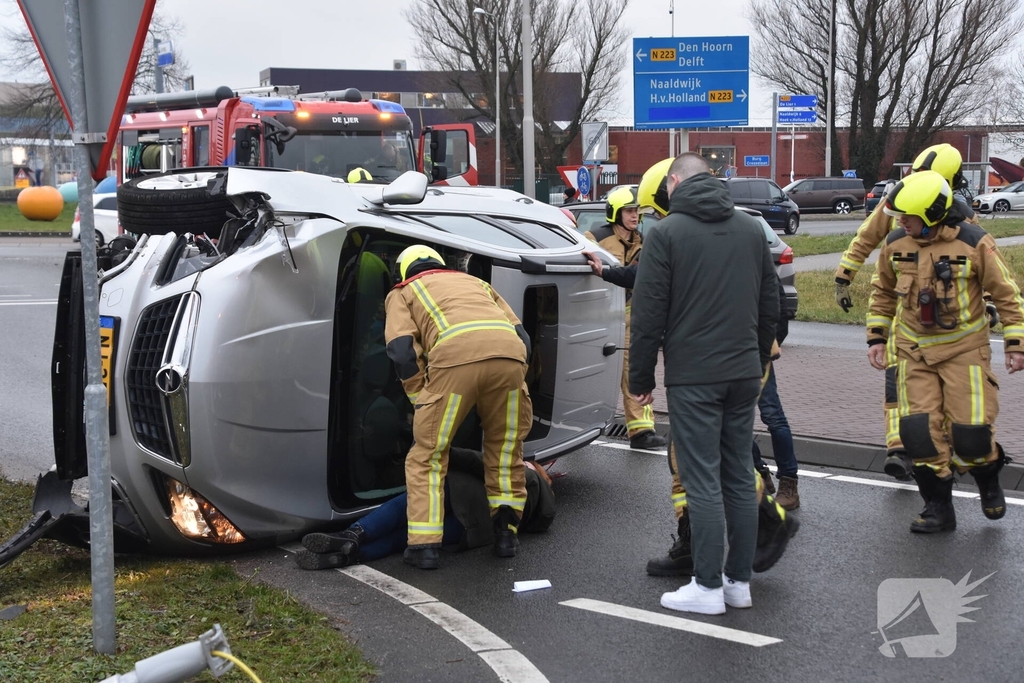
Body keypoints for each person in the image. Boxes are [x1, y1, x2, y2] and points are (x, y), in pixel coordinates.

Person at [630, 153, 779, 615]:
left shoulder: (667, 234)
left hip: (695, 378)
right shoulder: (751, 228)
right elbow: (770, 303)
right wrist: (754, 360)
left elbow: (649, 314)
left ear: (674, 182)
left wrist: (640, 378)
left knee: (702, 480)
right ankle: (739, 583)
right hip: (742, 374)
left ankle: (708, 587)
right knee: (737, 473)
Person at [867, 170, 1024, 533]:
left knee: (971, 436)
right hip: (912, 353)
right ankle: (938, 508)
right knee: (918, 434)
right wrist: (877, 337)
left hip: (964, 352)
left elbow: (1007, 294)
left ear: (933, 213)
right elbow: (883, 293)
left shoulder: (975, 243)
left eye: (908, 216)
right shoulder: (895, 244)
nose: (901, 222)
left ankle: (988, 480)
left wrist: (1016, 344)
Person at [834, 143, 981, 481]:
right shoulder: (954, 209)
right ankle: (912, 450)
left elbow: (866, 236)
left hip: (921, 315)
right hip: (917, 314)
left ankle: (913, 450)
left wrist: (845, 275)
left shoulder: (914, 201)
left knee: (907, 387)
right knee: (915, 387)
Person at [383, 244, 533, 568]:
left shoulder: (404, 291)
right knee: (505, 448)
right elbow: (523, 336)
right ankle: (506, 534)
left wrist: (420, 399)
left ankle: (424, 548)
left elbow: (401, 351)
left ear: (403, 271)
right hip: (510, 358)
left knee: (428, 455)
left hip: (454, 360)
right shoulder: (477, 283)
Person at [295, 448, 555, 570]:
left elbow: (481, 462)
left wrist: (440, 449)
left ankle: (352, 535)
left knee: (403, 507)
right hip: (471, 530)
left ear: (535, 468)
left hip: (458, 493)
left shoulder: (524, 473)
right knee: (403, 539)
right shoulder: (537, 512)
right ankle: (350, 556)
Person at [583, 186, 668, 451]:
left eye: (636, 211)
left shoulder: (643, 241)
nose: (635, 216)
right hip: (597, 317)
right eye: (629, 211)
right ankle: (578, 423)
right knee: (590, 373)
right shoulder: (594, 238)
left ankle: (641, 431)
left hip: (630, 316)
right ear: (615, 214)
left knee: (635, 371)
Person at [751, 277, 801, 510]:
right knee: (729, 421)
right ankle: (759, 471)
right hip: (727, 350)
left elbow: (778, 306)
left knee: (772, 415)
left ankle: (789, 483)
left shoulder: (755, 254)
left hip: (757, 350)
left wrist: (773, 342)